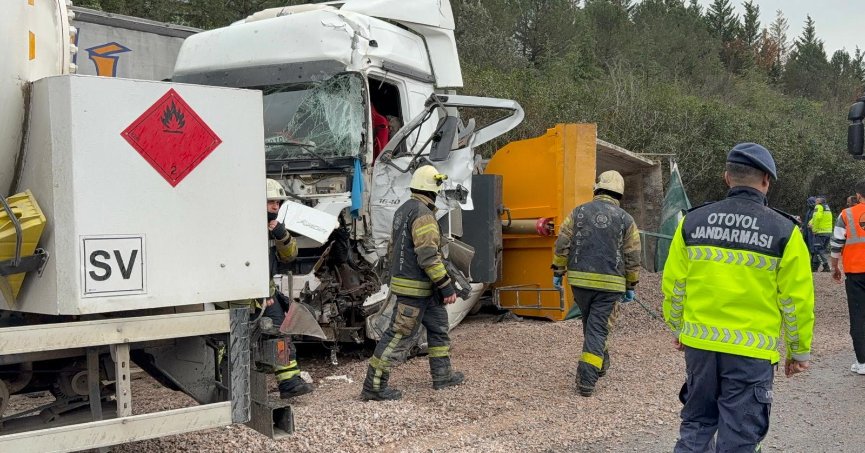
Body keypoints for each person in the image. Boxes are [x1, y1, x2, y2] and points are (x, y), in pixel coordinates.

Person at [662, 143, 814, 452]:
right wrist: (798, 352)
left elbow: (675, 286)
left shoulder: (691, 222)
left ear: (727, 178)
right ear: (766, 181)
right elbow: (796, 301)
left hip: (701, 348)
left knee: (696, 426)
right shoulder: (786, 231)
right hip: (751, 354)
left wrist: (678, 329)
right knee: (740, 439)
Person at [360, 165, 464, 401]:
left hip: (422, 288)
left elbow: (394, 247)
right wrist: (446, 285)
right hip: (416, 289)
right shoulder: (423, 214)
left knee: (438, 329)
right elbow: (428, 255)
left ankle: (443, 376)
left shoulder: (404, 209)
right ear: (433, 188)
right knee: (398, 335)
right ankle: (373, 387)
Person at [551, 170, 641, 397]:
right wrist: (631, 285)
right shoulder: (626, 220)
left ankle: (601, 362)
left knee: (592, 324)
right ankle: (587, 379)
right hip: (611, 286)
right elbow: (632, 255)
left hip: (580, 282)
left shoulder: (579, 212)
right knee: (598, 328)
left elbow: (563, 241)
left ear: (597, 188)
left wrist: (558, 270)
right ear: (619, 194)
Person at [265, 178, 313, 399]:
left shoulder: (274, 229)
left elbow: (290, 256)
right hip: (252, 295)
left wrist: (282, 236)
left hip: (265, 293)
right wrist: (260, 294)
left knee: (279, 332)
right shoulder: (245, 229)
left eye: (278, 202)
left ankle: (289, 382)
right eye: (271, 202)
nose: (276, 207)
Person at [830, 181, 865, 375]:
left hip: (856, 273)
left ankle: (862, 362)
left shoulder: (847, 215)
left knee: (858, 316)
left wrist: (834, 267)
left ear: (858, 196)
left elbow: (836, 244)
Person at [809, 196, 833, 272]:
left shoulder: (818, 207)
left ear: (820, 202)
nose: (815, 201)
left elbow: (816, 217)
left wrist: (814, 229)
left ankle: (826, 266)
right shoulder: (827, 207)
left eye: (817, 200)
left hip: (820, 232)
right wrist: (810, 223)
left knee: (818, 250)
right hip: (828, 232)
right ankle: (814, 267)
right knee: (819, 250)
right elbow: (819, 218)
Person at [802, 196, 818, 271]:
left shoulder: (816, 210)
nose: (808, 204)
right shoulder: (809, 211)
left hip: (813, 233)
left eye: (809, 203)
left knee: (814, 249)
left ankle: (814, 265)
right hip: (807, 233)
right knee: (808, 248)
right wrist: (802, 226)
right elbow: (806, 221)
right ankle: (809, 264)